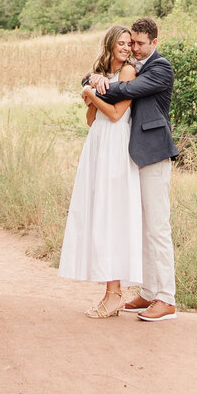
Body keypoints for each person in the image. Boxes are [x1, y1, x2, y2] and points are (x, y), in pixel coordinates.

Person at [83, 16, 178, 323]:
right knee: (142, 225)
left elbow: (125, 90)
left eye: (140, 43)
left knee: (158, 227)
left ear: (154, 43)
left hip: (153, 154)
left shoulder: (159, 68)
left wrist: (92, 88)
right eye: (131, 42)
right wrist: (90, 80)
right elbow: (109, 80)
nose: (134, 49)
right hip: (133, 154)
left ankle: (166, 298)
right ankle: (149, 292)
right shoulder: (137, 65)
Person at [59, 25, 143, 319]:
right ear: (110, 44)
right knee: (99, 214)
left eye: (128, 43)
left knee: (112, 215)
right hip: (98, 145)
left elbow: (117, 114)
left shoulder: (128, 73)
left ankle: (115, 294)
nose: (125, 47)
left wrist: (89, 93)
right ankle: (110, 292)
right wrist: (90, 95)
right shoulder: (101, 73)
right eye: (120, 43)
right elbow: (91, 120)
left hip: (117, 149)